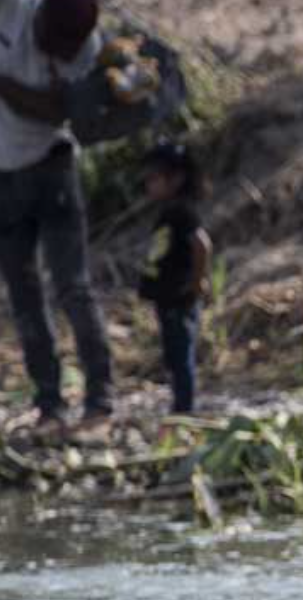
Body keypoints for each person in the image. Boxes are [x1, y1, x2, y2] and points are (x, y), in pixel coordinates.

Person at [0, 0, 115, 436]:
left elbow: (55, 110)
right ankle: (50, 406)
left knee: (72, 287)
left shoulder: (87, 48)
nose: (61, 51)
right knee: (24, 296)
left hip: (52, 169)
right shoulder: (11, 10)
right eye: (54, 39)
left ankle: (100, 401)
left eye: (70, 45)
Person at [136, 141, 212, 415]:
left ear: (176, 179)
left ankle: (184, 411)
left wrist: (196, 282)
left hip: (180, 297)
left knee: (181, 356)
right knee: (173, 354)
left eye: (154, 178)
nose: (148, 184)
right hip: (168, 297)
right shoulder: (169, 212)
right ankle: (181, 407)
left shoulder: (182, 212)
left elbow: (201, 244)